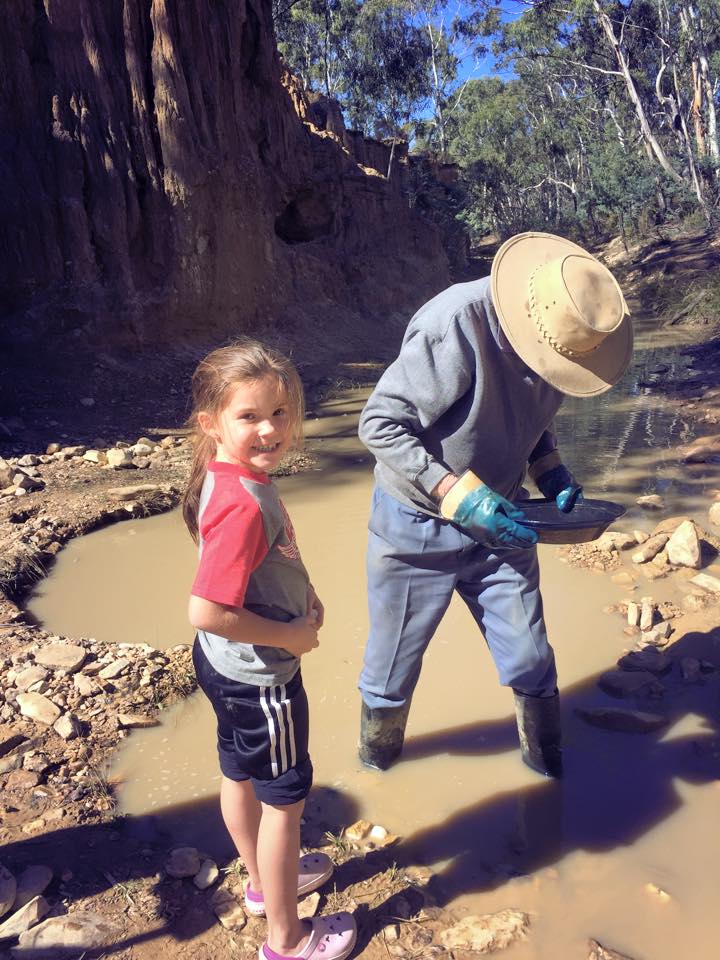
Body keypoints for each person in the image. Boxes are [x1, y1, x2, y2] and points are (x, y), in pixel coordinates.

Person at [357, 232, 633, 777]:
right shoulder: (456, 323)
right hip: (416, 524)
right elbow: (379, 424)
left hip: (504, 522)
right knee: (391, 671)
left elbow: (530, 418)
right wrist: (456, 494)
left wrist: (549, 470)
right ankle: (377, 767)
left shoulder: (573, 342)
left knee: (532, 658)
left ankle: (547, 773)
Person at [183, 340, 357, 960]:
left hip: (223, 667)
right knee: (285, 799)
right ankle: (288, 940)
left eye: (281, 413)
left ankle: (261, 885)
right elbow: (207, 609)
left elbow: (258, 568)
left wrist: (303, 591)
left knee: (238, 771)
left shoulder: (229, 475)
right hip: (262, 678)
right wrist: (291, 635)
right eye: (250, 416)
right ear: (211, 424)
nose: (270, 429)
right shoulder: (243, 504)